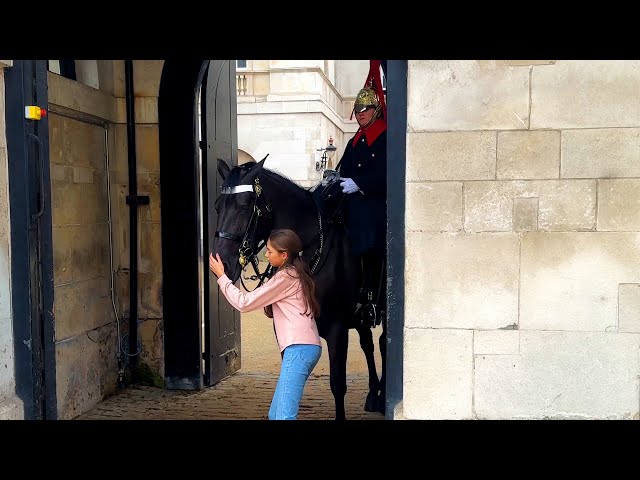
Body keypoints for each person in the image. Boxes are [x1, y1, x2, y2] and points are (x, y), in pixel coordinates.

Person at [209, 229, 322, 420]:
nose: (266, 254)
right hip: (303, 348)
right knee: (275, 414)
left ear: (284, 255)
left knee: (284, 417)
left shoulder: (286, 277)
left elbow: (244, 303)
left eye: (270, 251)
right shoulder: (294, 273)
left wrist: (222, 277)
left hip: (299, 349)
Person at [336, 60, 387, 327]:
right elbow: (343, 167)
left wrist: (360, 183)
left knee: (366, 228)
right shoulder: (355, 139)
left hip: (373, 203)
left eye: (364, 109)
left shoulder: (385, 137)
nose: (359, 114)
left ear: (376, 109)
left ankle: (371, 296)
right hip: (352, 202)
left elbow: (386, 174)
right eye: (357, 110)